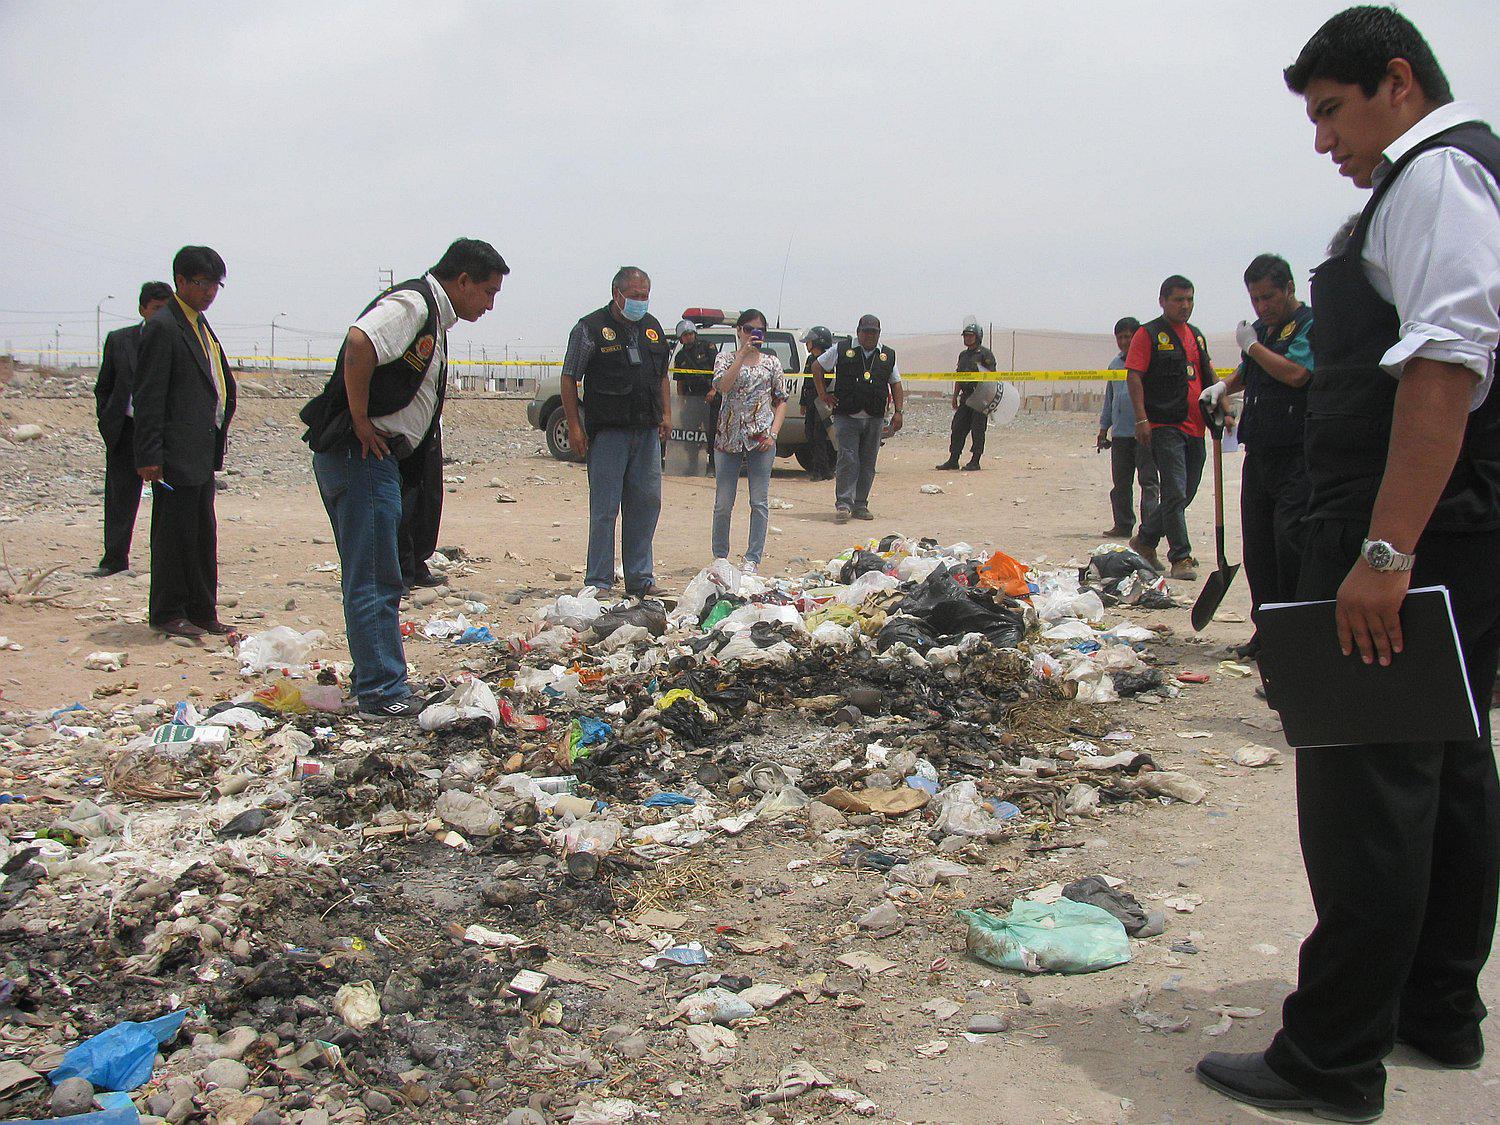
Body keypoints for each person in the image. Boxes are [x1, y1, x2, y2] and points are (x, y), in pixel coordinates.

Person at [1196, 9, 1500, 1122]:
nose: (1324, 140)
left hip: (1408, 536)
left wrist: (1384, 550)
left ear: (1397, 82)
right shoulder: (1464, 174)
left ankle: (1330, 1056)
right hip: (1455, 530)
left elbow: (1446, 365)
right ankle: (1436, 1006)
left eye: (1332, 111)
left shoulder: (1436, 178)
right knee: (1446, 766)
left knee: (1366, 783)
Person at [300, 239, 508, 719]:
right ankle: (382, 692)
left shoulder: (433, 317)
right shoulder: (415, 304)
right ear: (462, 281)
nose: (490, 305)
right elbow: (360, 342)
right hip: (362, 455)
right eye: (488, 292)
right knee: (376, 576)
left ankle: (375, 680)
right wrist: (359, 419)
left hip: (373, 460)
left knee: (372, 574)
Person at [1199, 254, 1314, 659]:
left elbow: (1297, 373)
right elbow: (1249, 371)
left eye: (1269, 297)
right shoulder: (1262, 331)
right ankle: (1265, 634)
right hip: (1260, 452)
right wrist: (1223, 387)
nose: (1262, 306)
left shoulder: (1308, 325)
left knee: (1290, 544)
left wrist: (1252, 346)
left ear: (1289, 289)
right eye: (1255, 299)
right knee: (1259, 549)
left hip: (1297, 455)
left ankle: (1294, 637)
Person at [132, 247, 238, 639]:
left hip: (200, 449)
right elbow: (149, 395)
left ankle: (201, 610)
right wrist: (149, 454)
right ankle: (167, 611)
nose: (209, 292)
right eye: (202, 283)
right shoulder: (163, 327)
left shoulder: (198, 323)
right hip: (174, 452)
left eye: (215, 285)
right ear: (180, 281)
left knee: (201, 533)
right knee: (173, 534)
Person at [561, 266, 672, 596]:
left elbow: (662, 376)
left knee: (646, 505)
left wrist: (666, 414)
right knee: (605, 510)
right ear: (617, 294)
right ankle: (599, 581)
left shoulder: (652, 328)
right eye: (635, 295)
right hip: (609, 433)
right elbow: (569, 378)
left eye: (645, 295)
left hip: (647, 431)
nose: (641, 301)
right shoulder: (589, 329)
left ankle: (640, 579)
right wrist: (575, 427)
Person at [1125, 275, 1218, 580]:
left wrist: (1223, 405)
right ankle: (1181, 556)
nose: (1185, 305)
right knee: (1175, 490)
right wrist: (1142, 419)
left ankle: (1146, 539)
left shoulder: (1196, 336)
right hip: (1165, 424)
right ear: (1163, 301)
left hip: (1196, 427)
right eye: (1179, 299)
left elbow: (1207, 372)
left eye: (1190, 299)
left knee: (1186, 492)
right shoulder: (1148, 334)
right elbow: (1134, 376)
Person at [90, 280, 171, 577]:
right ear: (142, 309)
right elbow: (104, 386)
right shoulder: (119, 340)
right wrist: (107, 419)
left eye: (166, 309)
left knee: (169, 500)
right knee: (120, 498)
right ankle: (114, 560)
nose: (161, 315)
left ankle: (166, 564)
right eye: (156, 308)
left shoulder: (177, 340)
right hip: (125, 430)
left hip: (163, 433)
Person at [711, 309, 788, 575]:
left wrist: (773, 433)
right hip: (728, 438)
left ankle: (752, 558)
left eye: (759, 331)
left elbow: (781, 400)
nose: (753, 335)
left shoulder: (772, 363)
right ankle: (720, 556)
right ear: (738, 330)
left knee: (759, 501)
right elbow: (723, 386)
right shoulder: (725, 358)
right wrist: (742, 355)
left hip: (760, 438)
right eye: (748, 329)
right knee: (723, 502)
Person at [811, 313, 904, 523]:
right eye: (866, 332)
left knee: (868, 462)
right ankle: (844, 504)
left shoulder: (887, 355)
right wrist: (823, 394)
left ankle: (861, 504)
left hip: (875, 417)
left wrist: (899, 411)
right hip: (847, 415)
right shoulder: (842, 349)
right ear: (858, 332)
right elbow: (817, 367)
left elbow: (896, 383)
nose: (870, 336)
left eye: (874, 332)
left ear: (879, 333)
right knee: (848, 459)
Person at [1096, 316, 1160, 537]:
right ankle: (1123, 525)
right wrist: (1103, 428)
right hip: (1121, 434)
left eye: (1128, 337)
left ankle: (1149, 530)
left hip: (1145, 433)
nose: (1123, 342)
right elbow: (1110, 399)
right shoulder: (1115, 365)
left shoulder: (1150, 362)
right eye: (1120, 337)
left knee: (1148, 482)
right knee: (1121, 484)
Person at [936, 322, 999, 471]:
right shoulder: (963, 355)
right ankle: (953, 459)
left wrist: (989, 400)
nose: (967, 338)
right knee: (957, 427)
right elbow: (959, 376)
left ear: (977, 337)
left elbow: (992, 378)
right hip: (966, 398)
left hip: (981, 398)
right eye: (965, 335)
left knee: (978, 430)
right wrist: (954, 396)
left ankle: (975, 461)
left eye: (970, 335)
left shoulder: (985, 354)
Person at [397, 420, 445, 592]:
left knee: (429, 498)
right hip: (402, 431)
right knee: (404, 502)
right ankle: (401, 572)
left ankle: (417, 565)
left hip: (428, 428)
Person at [671, 319, 720, 473]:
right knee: (691, 432)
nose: (689, 337)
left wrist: (714, 390)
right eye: (685, 335)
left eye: (690, 334)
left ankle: (713, 466)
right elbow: (680, 381)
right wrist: (681, 401)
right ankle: (692, 465)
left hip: (711, 397)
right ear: (681, 338)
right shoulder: (680, 356)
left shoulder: (707, 347)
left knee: (712, 432)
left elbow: (719, 371)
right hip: (693, 398)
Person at [798, 326, 837, 481]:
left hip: (821, 401)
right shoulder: (810, 359)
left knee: (819, 435)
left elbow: (826, 381)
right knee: (810, 434)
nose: (807, 344)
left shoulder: (827, 359)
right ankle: (823, 469)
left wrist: (822, 396)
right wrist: (803, 402)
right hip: (810, 400)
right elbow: (806, 381)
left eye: (809, 341)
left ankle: (820, 470)